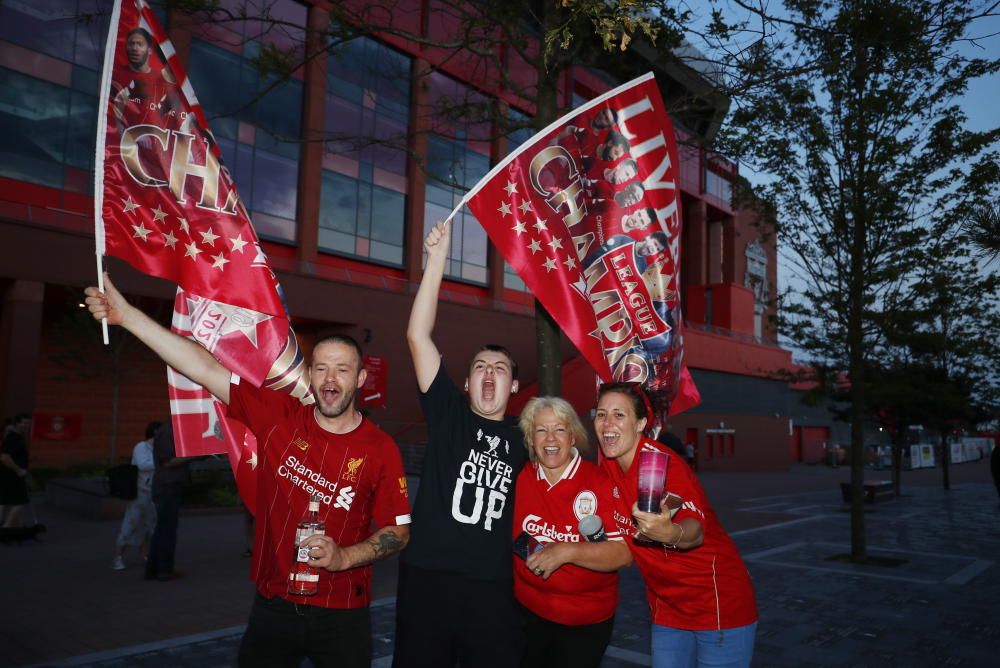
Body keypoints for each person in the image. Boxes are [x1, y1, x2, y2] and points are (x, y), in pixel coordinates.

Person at [84, 274, 410, 668]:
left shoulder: (381, 448)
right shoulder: (279, 416)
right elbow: (204, 368)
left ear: (359, 379)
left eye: (342, 370)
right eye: (321, 368)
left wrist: (344, 557)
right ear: (309, 375)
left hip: (343, 614)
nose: (329, 379)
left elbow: (397, 532)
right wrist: (129, 317)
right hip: (272, 608)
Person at [394, 219, 527, 668]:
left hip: (493, 585)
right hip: (427, 577)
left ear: (513, 386)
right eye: (480, 368)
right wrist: (437, 261)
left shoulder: (528, 437)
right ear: (467, 383)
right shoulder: (448, 415)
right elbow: (417, 336)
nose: (489, 374)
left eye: (500, 369)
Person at [594, 383, 758, 668]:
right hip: (667, 607)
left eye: (619, 415)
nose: (607, 423)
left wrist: (671, 533)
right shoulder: (606, 466)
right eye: (600, 414)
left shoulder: (662, 466)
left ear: (641, 423)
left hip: (717, 605)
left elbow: (693, 530)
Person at [514, 397, 631, 668]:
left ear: (573, 437)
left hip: (584, 622)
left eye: (559, 429)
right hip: (526, 613)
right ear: (531, 439)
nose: (550, 438)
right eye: (541, 430)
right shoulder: (522, 477)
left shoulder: (599, 482)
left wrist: (566, 551)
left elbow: (623, 554)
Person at [112, 420, 161, 570]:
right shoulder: (141, 447)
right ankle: (118, 557)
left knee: (150, 526)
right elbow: (142, 465)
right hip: (140, 493)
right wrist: (161, 462)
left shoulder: (158, 449)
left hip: (153, 493)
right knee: (130, 524)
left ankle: (145, 555)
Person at [0, 413, 32, 528]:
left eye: (28, 423)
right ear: (17, 423)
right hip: (13, 475)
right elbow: (4, 457)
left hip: (11, 474)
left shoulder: (18, 437)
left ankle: (18, 526)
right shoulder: (13, 437)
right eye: (24, 423)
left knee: (7, 501)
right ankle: (6, 527)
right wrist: (19, 470)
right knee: (20, 502)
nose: (27, 425)